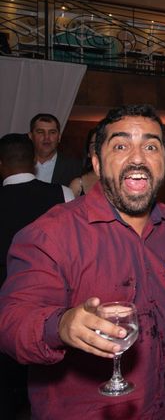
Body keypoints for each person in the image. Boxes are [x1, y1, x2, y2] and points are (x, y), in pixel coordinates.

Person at [0, 104, 165, 419]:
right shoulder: (50, 233)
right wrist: (60, 325)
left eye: (150, 146)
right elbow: (11, 322)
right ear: (97, 163)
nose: (138, 157)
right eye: (120, 145)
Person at [0, 133, 73, 420]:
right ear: (33, 162)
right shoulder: (63, 194)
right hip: (51, 300)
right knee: (47, 379)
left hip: (3, 303)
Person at [28, 113, 82, 186]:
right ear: (31, 136)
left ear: (59, 137)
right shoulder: (19, 164)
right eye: (40, 132)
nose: (46, 137)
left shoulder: (74, 167)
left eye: (52, 132)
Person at [69, 128, 99, 197]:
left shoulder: (122, 180)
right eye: (94, 146)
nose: (98, 149)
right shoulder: (77, 184)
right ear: (88, 153)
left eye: (102, 144)